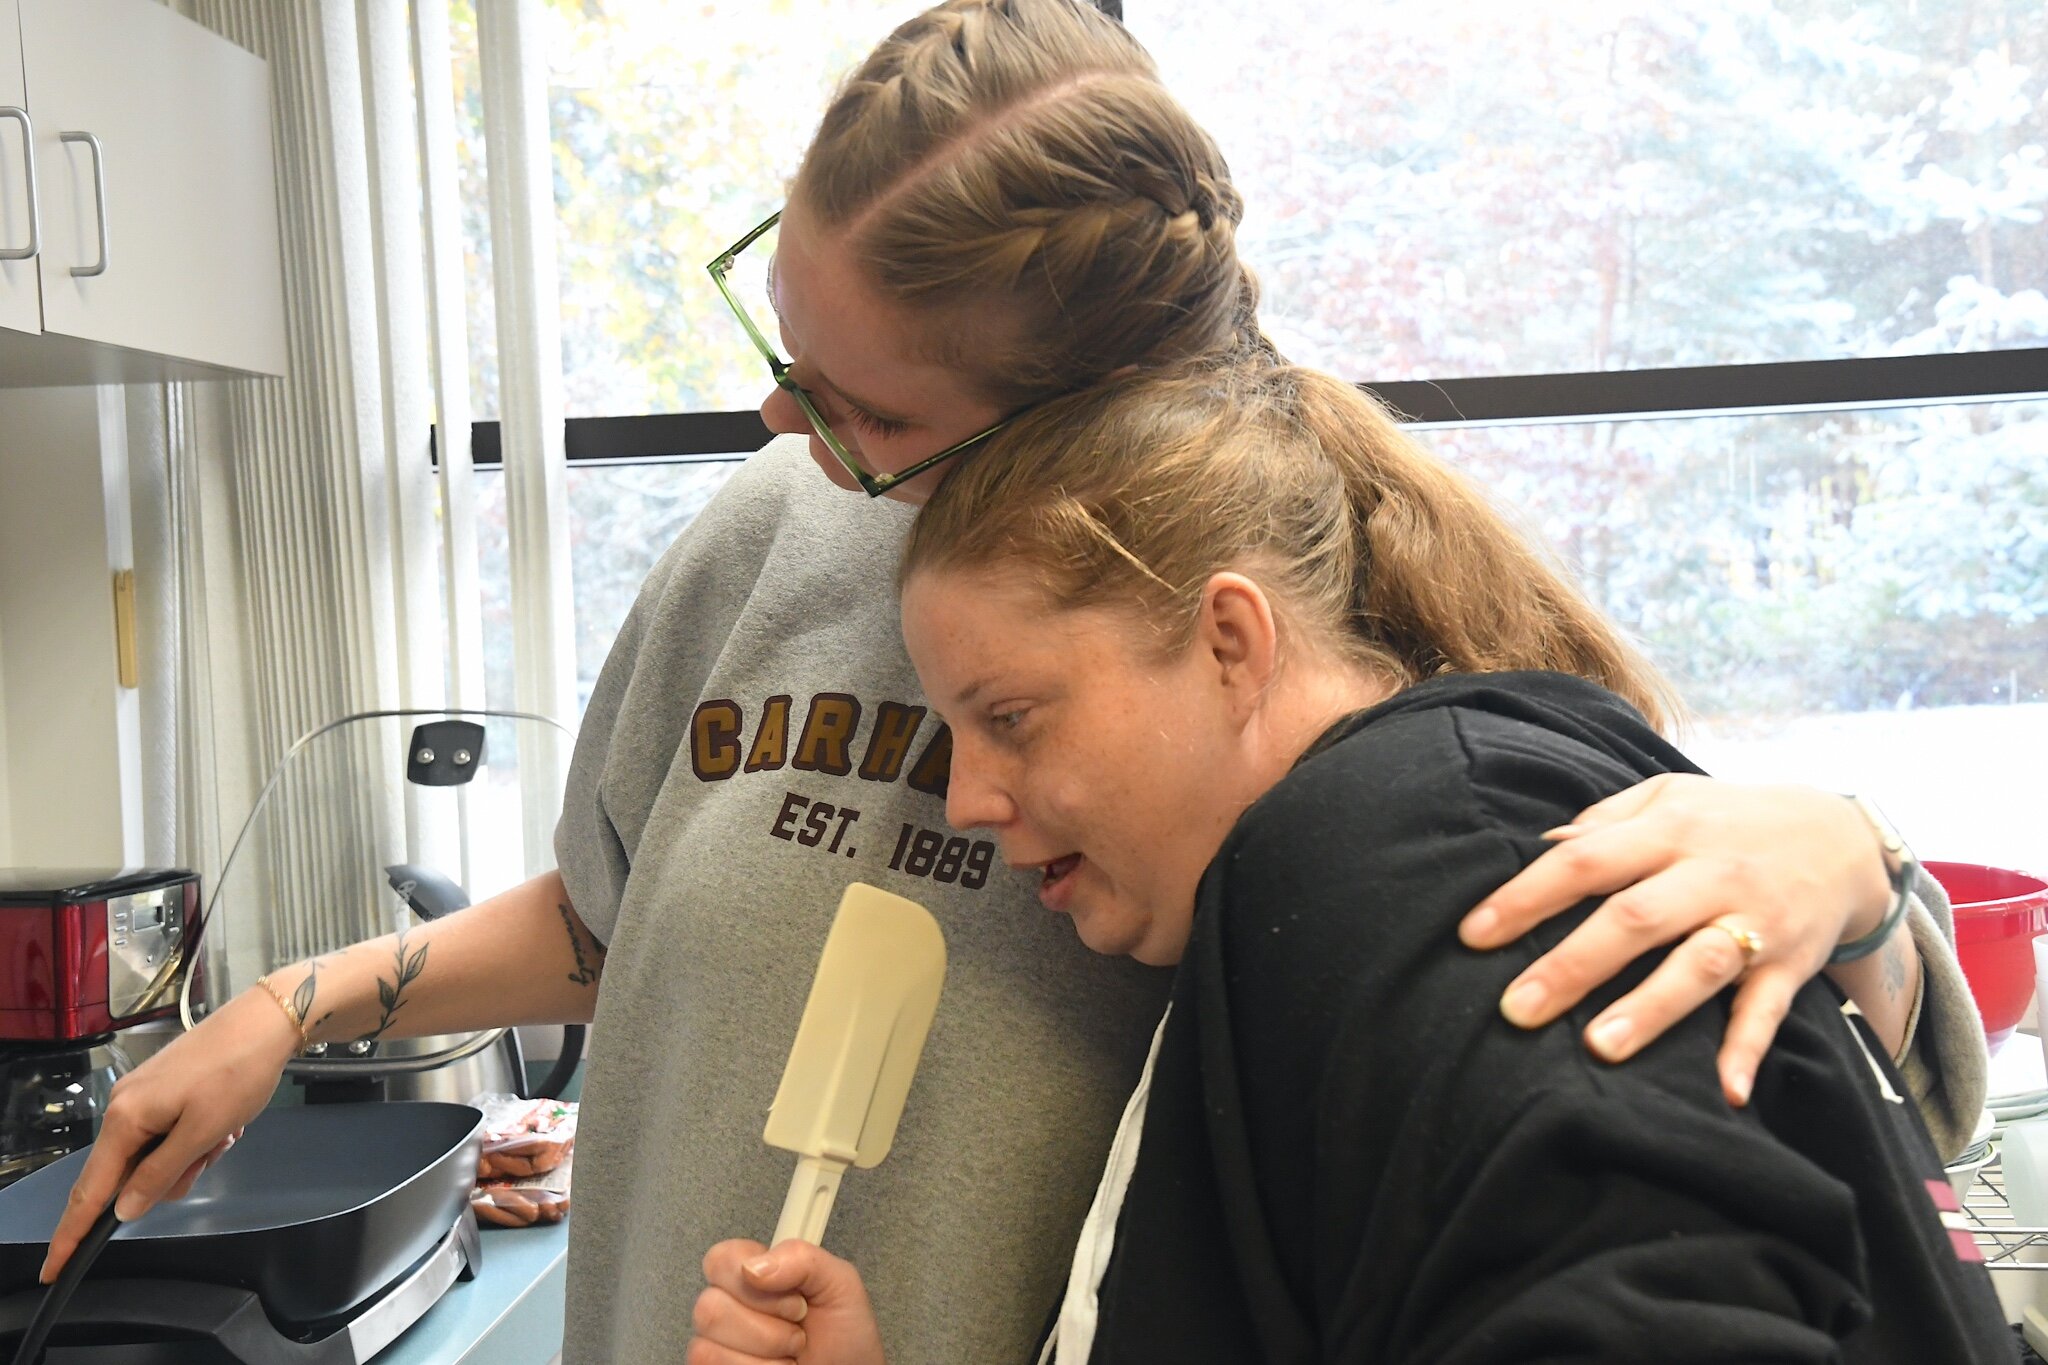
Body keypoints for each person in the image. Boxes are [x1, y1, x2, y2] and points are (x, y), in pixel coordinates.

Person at [44, 3, 1985, 1360]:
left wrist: (1847, 858)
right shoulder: (775, 524)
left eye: (863, 404)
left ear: (1074, 422)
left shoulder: (1271, 681)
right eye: (782, 342)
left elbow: (1679, 1034)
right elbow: (610, 911)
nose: (786, 419)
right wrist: (292, 1005)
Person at [691, 359, 2014, 1364]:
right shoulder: (1369, 865)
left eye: (1012, 718)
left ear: (1229, 639)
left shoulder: (1399, 845)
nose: (968, 797)